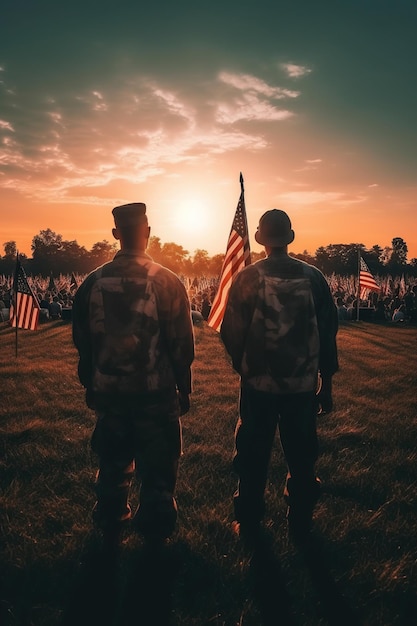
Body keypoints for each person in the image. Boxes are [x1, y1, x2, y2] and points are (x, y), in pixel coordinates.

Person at [72, 202, 195, 543]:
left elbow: (83, 341)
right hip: (156, 395)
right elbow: (181, 345)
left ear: (115, 234)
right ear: (148, 233)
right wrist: (183, 389)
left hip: (110, 395)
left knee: (113, 466)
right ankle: (155, 533)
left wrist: (91, 383)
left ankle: (110, 525)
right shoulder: (168, 282)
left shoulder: (92, 282)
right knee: (158, 470)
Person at [220, 209, 339, 544]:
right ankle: (300, 520)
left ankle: (248, 521)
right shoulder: (314, 278)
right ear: (290, 236)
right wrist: (325, 384)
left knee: (252, 454)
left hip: (258, 385)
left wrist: (244, 366)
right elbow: (328, 333)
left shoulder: (247, 277)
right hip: (301, 387)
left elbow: (231, 330)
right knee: (301, 455)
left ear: (260, 238)